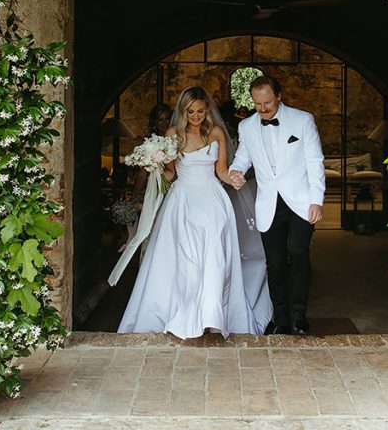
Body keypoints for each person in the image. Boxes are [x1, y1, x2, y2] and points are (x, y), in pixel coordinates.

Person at [116, 86, 272, 338]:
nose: (196, 116)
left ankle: (210, 315)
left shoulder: (217, 133)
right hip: (182, 202)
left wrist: (233, 178)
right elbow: (170, 173)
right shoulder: (173, 134)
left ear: (207, 110)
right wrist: (154, 167)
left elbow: (221, 170)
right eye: (190, 111)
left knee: (213, 257)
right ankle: (183, 313)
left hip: (212, 201)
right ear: (183, 110)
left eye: (200, 111)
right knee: (183, 259)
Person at [229, 75, 325, 335]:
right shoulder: (247, 126)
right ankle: (281, 320)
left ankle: (300, 313)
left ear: (279, 96)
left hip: (301, 201)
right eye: (257, 103)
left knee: (297, 251)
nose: (263, 108)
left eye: (267, 102)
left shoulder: (303, 120)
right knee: (274, 263)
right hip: (268, 204)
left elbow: (315, 161)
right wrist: (236, 171)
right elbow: (243, 157)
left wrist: (317, 200)